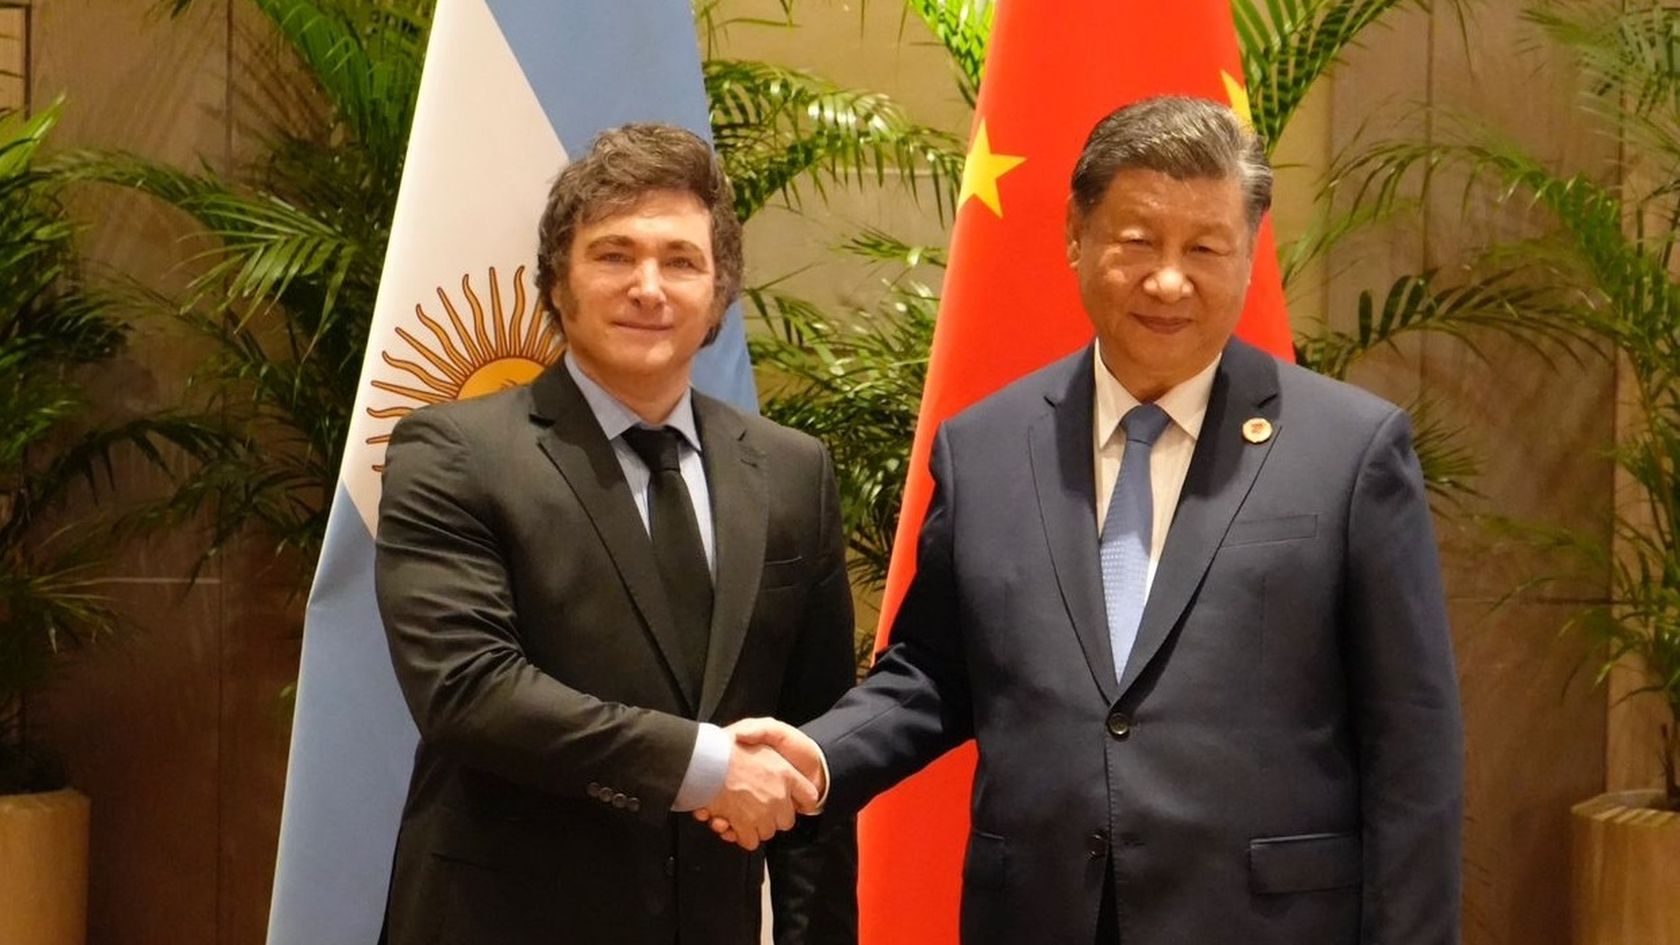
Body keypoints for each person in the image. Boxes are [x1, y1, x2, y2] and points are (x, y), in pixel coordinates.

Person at [709, 96, 1464, 945]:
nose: (1169, 280)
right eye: (1138, 241)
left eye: (1205, 248)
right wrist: (816, 756)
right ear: (1077, 235)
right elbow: (932, 670)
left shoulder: (1350, 452)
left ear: (1249, 256)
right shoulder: (987, 448)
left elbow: (1414, 748)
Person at [374, 123, 858, 945]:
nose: (649, 286)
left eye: (680, 260)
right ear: (558, 283)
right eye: (613, 255)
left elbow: (810, 745)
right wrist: (703, 767)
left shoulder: (791, 472)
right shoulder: (452, 453)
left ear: (718, 293)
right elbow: (469, 691)